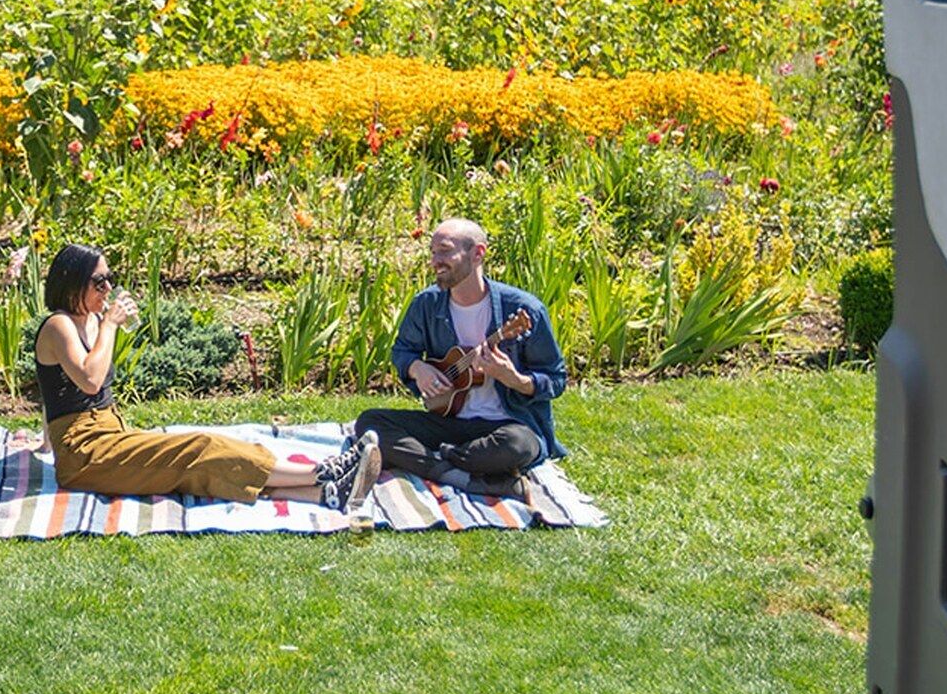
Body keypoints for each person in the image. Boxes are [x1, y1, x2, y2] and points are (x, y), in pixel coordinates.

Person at [34, 243, 381, 510]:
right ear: (73, 282)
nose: (108, 288)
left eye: (110, 278)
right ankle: (323, 470)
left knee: (194, 469)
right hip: (85, 456)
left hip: (107, 434)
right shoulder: (59, 325)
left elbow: (52, 391)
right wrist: (111, 324)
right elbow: (90, 381)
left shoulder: (91, 320)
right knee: (198, 446)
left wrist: (46, 440)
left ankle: (326, 493)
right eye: (99, 281)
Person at [354, 218, 567, 497]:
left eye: (444, 251)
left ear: (478, 253)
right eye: (432, 252)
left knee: (516, 447)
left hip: (508, 424)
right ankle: (462, 475)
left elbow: (556, 379)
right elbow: (403, 351)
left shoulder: (524, 310)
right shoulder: (427, 304)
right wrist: (419, 369)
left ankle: (437, 461)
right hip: (451, 422)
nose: (435, 261)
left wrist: (514, 379)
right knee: (370, 423)